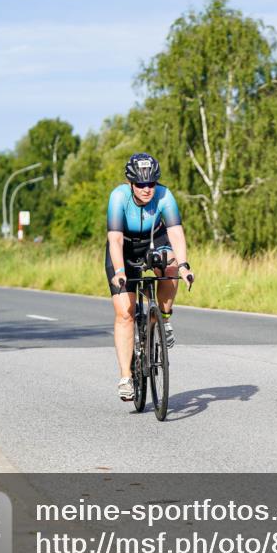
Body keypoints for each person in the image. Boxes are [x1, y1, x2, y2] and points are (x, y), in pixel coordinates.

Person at [106, 153, 194, 401]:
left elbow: (175, 232)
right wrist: (120, 272)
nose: (147, 190)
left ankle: (164, 320)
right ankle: (125, 377)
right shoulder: (118, 197)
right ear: (131, 183)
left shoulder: (165, 195)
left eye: (151, 184)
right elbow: (115, 239)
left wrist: (185, 266)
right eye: (141, 185)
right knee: (125, 312)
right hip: (124, 248)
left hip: (156, 242)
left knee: (171, 269)